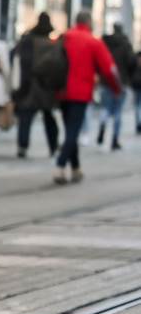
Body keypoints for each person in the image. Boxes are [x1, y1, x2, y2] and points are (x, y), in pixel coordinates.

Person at [53, 10, 121, 184]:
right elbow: (109, 69)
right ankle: (60, 167)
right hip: (80, 93)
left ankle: (75, 169)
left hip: (61, 90)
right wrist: (116, 88)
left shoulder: (64, 37)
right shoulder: (93, 42)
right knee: (73, 132)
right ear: (89, 22)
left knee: (70, 130)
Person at [12, 12, 59, 158]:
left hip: (30, 85)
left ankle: (22, 145)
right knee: (48, 117)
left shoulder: (28, 40)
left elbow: (18, 60)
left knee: (26, 117)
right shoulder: (52, 43)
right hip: (46, 87)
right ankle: (53, 146)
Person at [96, 22, 134, 151]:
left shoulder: (105, 42)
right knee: (118, 111)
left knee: (106, 108)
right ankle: (114, 140)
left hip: (105, 81)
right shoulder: (125, 44)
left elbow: (97, 60)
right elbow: (131, 62)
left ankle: (103, 123)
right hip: (121, 82)